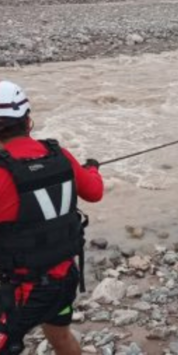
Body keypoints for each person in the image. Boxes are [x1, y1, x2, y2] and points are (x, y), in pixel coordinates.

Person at [0, 80, 103, 355]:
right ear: (28, 121)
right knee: (61, 336)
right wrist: (91, 168)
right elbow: (94, 192)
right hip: (64, 280)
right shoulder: (60, 155)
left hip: (20, 292)